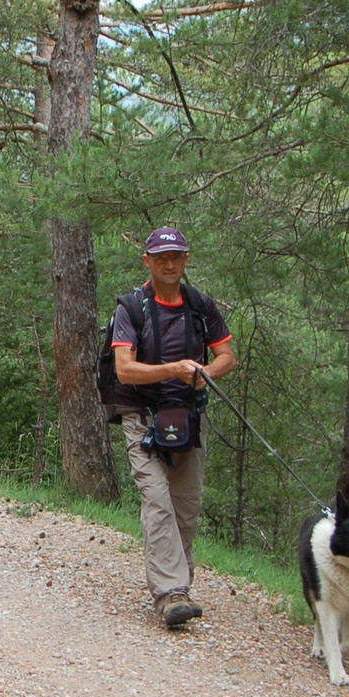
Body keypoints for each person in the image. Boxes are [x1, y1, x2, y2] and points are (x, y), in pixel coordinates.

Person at [110, 226, 236, 627]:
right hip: (141, 418)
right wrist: (173, 370)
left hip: (189, 418)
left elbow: (227, 356)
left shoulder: (200, 305)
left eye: (176, 256)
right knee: (157, 500)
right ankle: (170, 595)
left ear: (186, 259)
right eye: (162, 257)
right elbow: (125, 370)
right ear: (147, 261)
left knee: (186, 506)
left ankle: (179, 587)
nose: (169, 264)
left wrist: (205, 373)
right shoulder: (131, 308)